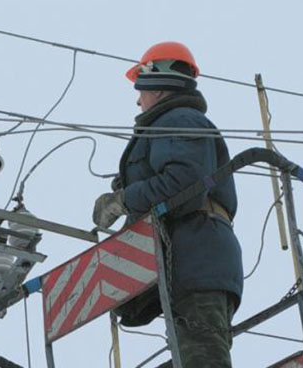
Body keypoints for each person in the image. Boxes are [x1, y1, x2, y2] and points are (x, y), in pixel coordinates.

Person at [92, 41, 243, 367]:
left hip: (197, 256)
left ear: (158, 86)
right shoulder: (173, 124)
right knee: (191, 354)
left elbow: (184, 184)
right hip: (190, 258)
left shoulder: (179, 119)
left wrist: (124, 200)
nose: (138, 100)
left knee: (202, 359)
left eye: (141, 90)